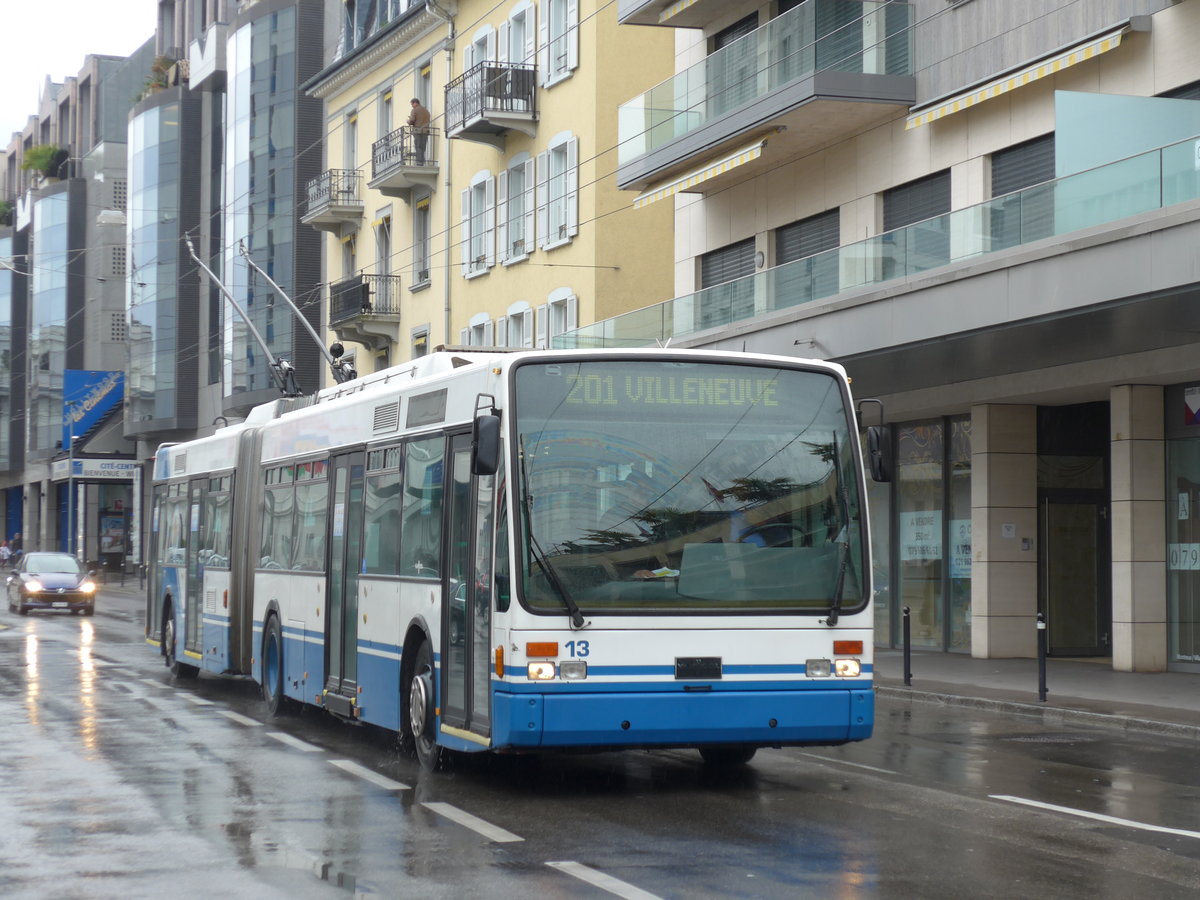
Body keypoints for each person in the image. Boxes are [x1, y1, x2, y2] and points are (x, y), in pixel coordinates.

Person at [407, 98, 431, 165]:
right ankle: (422, 161)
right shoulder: (426, 111)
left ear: (415, 103)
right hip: (425, 131)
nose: (412, 106)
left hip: (418, 131)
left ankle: (419, 162)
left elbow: (412, 120)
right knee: (423, 147)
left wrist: (408, 121)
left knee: (418, 146)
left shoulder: (414, 110)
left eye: (412, 104)